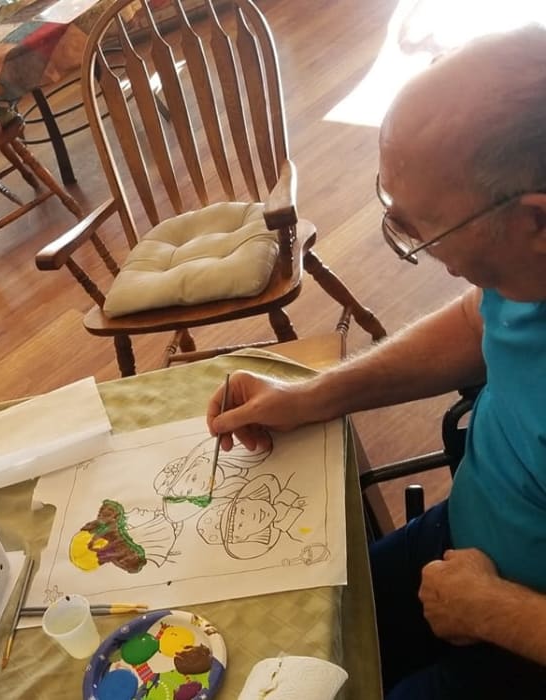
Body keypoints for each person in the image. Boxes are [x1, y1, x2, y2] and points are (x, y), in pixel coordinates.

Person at [206, 25, 546, 699]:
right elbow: (480, 320)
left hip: (520, 635)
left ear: (535, 223)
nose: (413, 245)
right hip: (464, 542)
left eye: (423, 229)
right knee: (271, 640)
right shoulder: (524, 273)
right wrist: (314, 394)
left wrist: (497, 610)